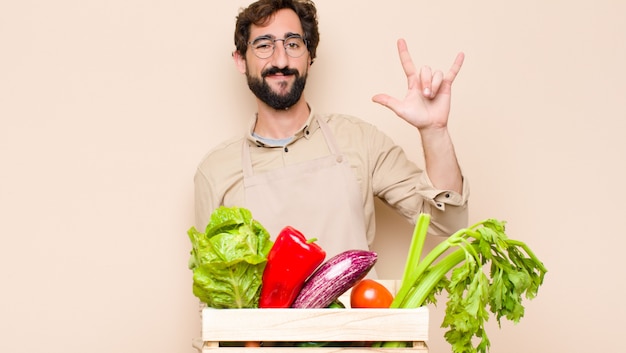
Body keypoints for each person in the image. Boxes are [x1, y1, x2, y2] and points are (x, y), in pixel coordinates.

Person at [194, 0, 469, 268]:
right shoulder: (215, 171)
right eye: (264, 45)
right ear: (241, 60)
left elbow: (447, 223)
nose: (281, 59)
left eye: (293, 44)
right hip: (268, 318)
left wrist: (434, 131)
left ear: (310, 57)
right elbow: (214, 295)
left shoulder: (361, 140)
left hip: (353, 315)